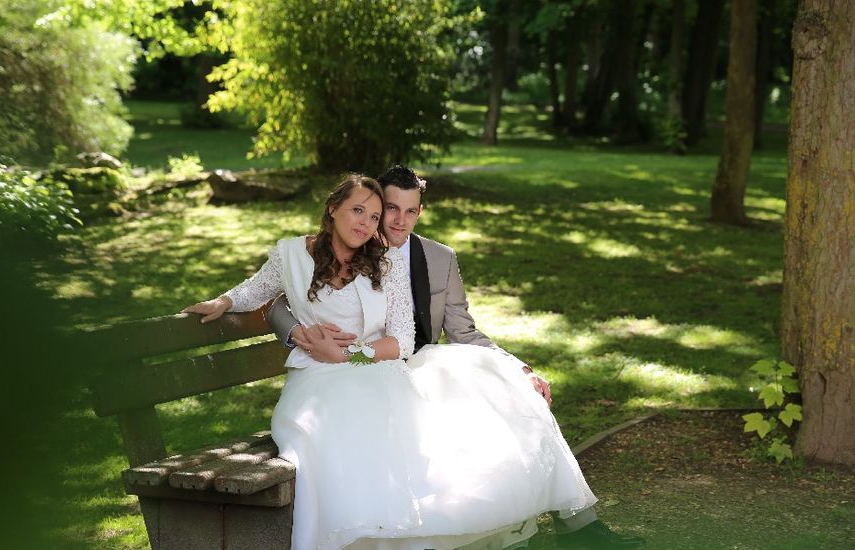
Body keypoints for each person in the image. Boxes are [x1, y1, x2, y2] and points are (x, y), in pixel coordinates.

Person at [182, 174, 638, 550]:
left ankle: (574, 526)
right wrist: (223, 302)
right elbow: (261, 292)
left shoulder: (393, 264)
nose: (374, 222)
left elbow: (409, 340)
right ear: (333, 209)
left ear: (418, 213)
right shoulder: (291, 255)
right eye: (363, 210)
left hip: (376, 369)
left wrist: (346, 353)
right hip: (317, 382)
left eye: (379, 215)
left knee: (481, 404)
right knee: (333, 436)